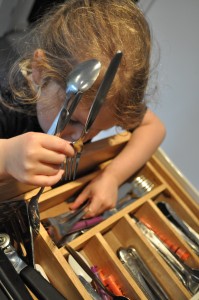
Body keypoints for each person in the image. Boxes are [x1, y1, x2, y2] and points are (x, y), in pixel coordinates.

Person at [0, 0, 166, 216]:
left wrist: (112, 176)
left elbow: (154, 127)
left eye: (97, 128)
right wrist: (6, 157)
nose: (79, 138)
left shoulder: (109, 100)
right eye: (75, 120)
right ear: (40, 70)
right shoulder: (6, 99)